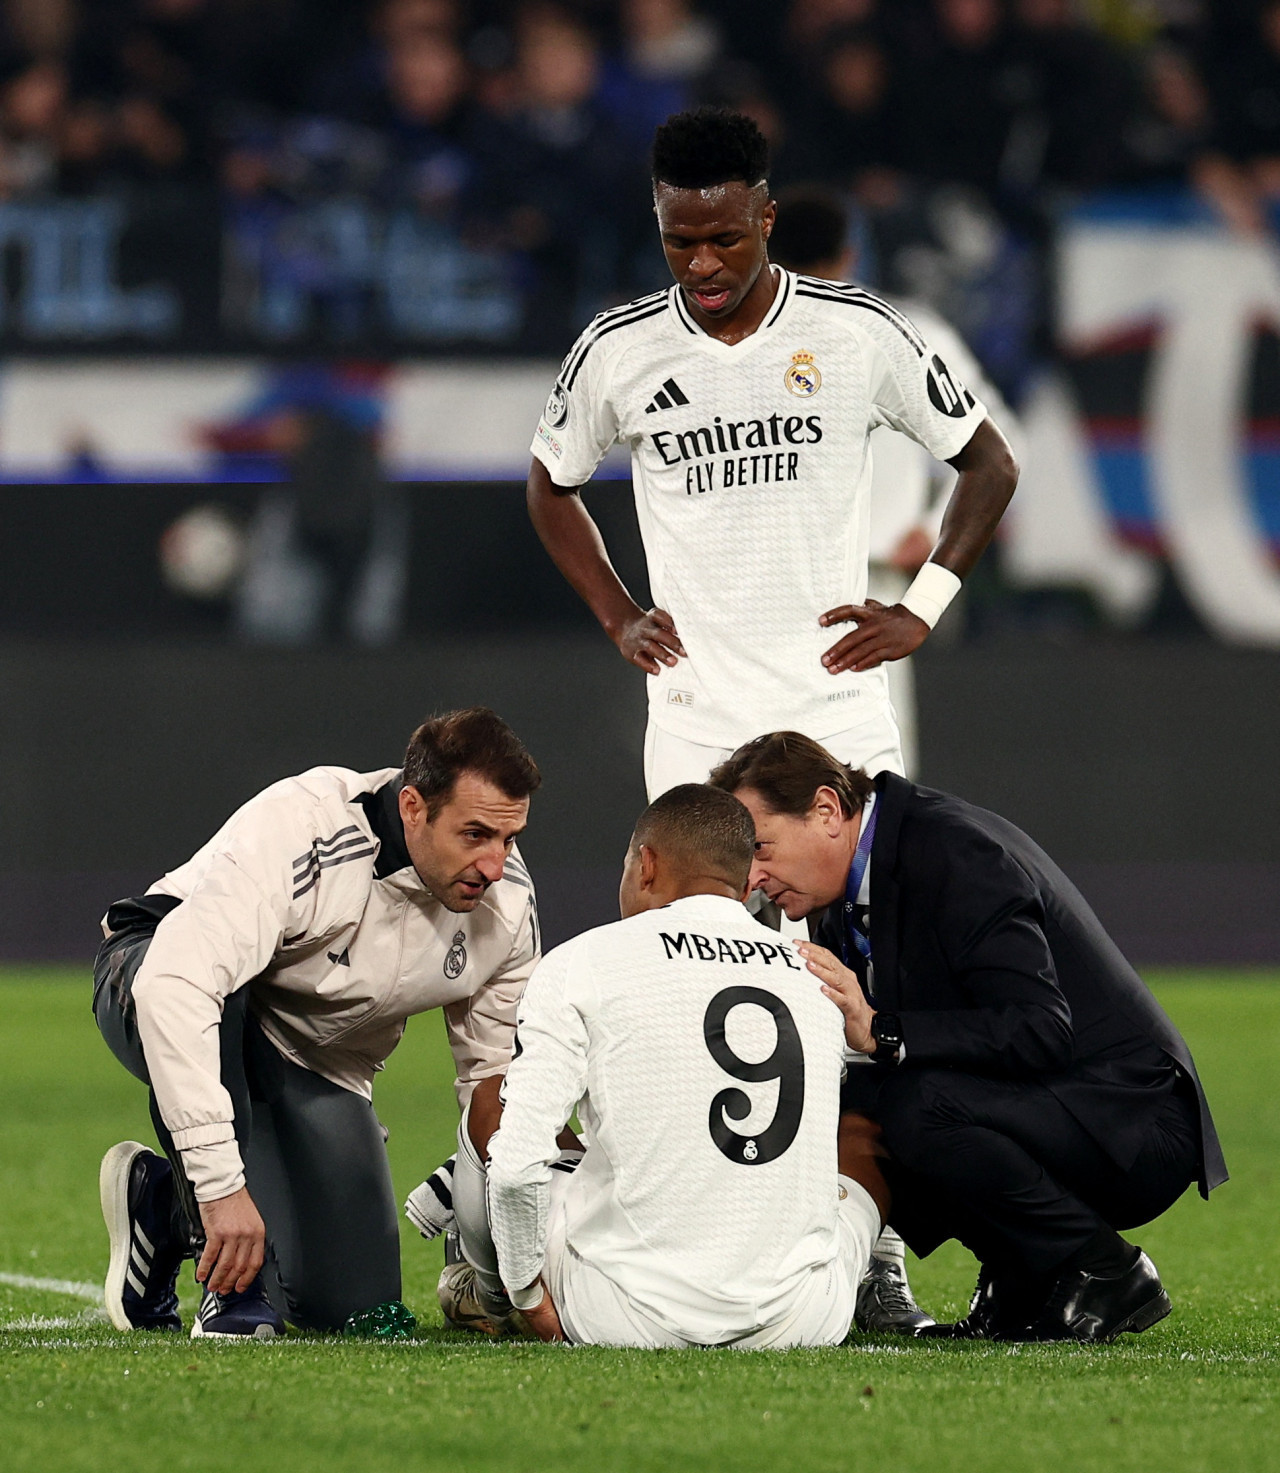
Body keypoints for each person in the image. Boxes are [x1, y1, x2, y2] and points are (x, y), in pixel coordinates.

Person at [525, 105, 1019, 1330]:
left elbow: (988, 462)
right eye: (676, 242)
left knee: (849, 987)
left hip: (833, 716)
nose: (699, 265)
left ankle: (868, 1241)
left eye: (719, 240)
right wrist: (614, 612)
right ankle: (645, 1217)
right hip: (694, 721)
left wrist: (925, 606)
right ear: (659, 223)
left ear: (762, 213)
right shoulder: (617, 350)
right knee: (665, 980)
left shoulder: (859, 334)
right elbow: (548, 481)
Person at [710, 732, 1227, 1343]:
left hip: (1133, 1121)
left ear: (827, 810)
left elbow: (1038, 1028)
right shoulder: (845, 886)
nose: (755, 879)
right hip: (1062, 1104)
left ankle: (1101, 1267)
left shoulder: (953, 851)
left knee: (911, 1106)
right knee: (834, 1104)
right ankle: (1024, 1275)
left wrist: (882, 1030)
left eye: (762, 848)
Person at [93, 707, 541, 1339]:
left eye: (509, 838)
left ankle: (157, 1206)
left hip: (309, 1056)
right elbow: (177, 985)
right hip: (150, 970)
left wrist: (506, 1241)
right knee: (221, 1003)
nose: (495, 865)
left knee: (353, 1310)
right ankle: (227, 1279)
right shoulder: (304, 829)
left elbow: (494, 1081)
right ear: (413, 807)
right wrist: (221, 1190)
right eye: (474, 835)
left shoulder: (508, 903)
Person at [441, 784, 890, 1348]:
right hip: (800, 1319)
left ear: (646, 865)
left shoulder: (586, 960)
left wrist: (528, 1295)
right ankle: (882, 1277)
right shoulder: (815, 973)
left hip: (622, 1313)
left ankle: (489, 1298)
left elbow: (516, 1165)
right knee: (865, 1127)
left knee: (492, 1101)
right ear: (747, 879)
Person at [768, 185, 1021, 776]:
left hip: (808, 585)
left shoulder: (728, 341)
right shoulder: (905, 328)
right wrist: (934, 532)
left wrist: (931, 530)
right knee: (865, 777)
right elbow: (1003, 443)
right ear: (851, 255)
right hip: (864, 589)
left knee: (759, 775)